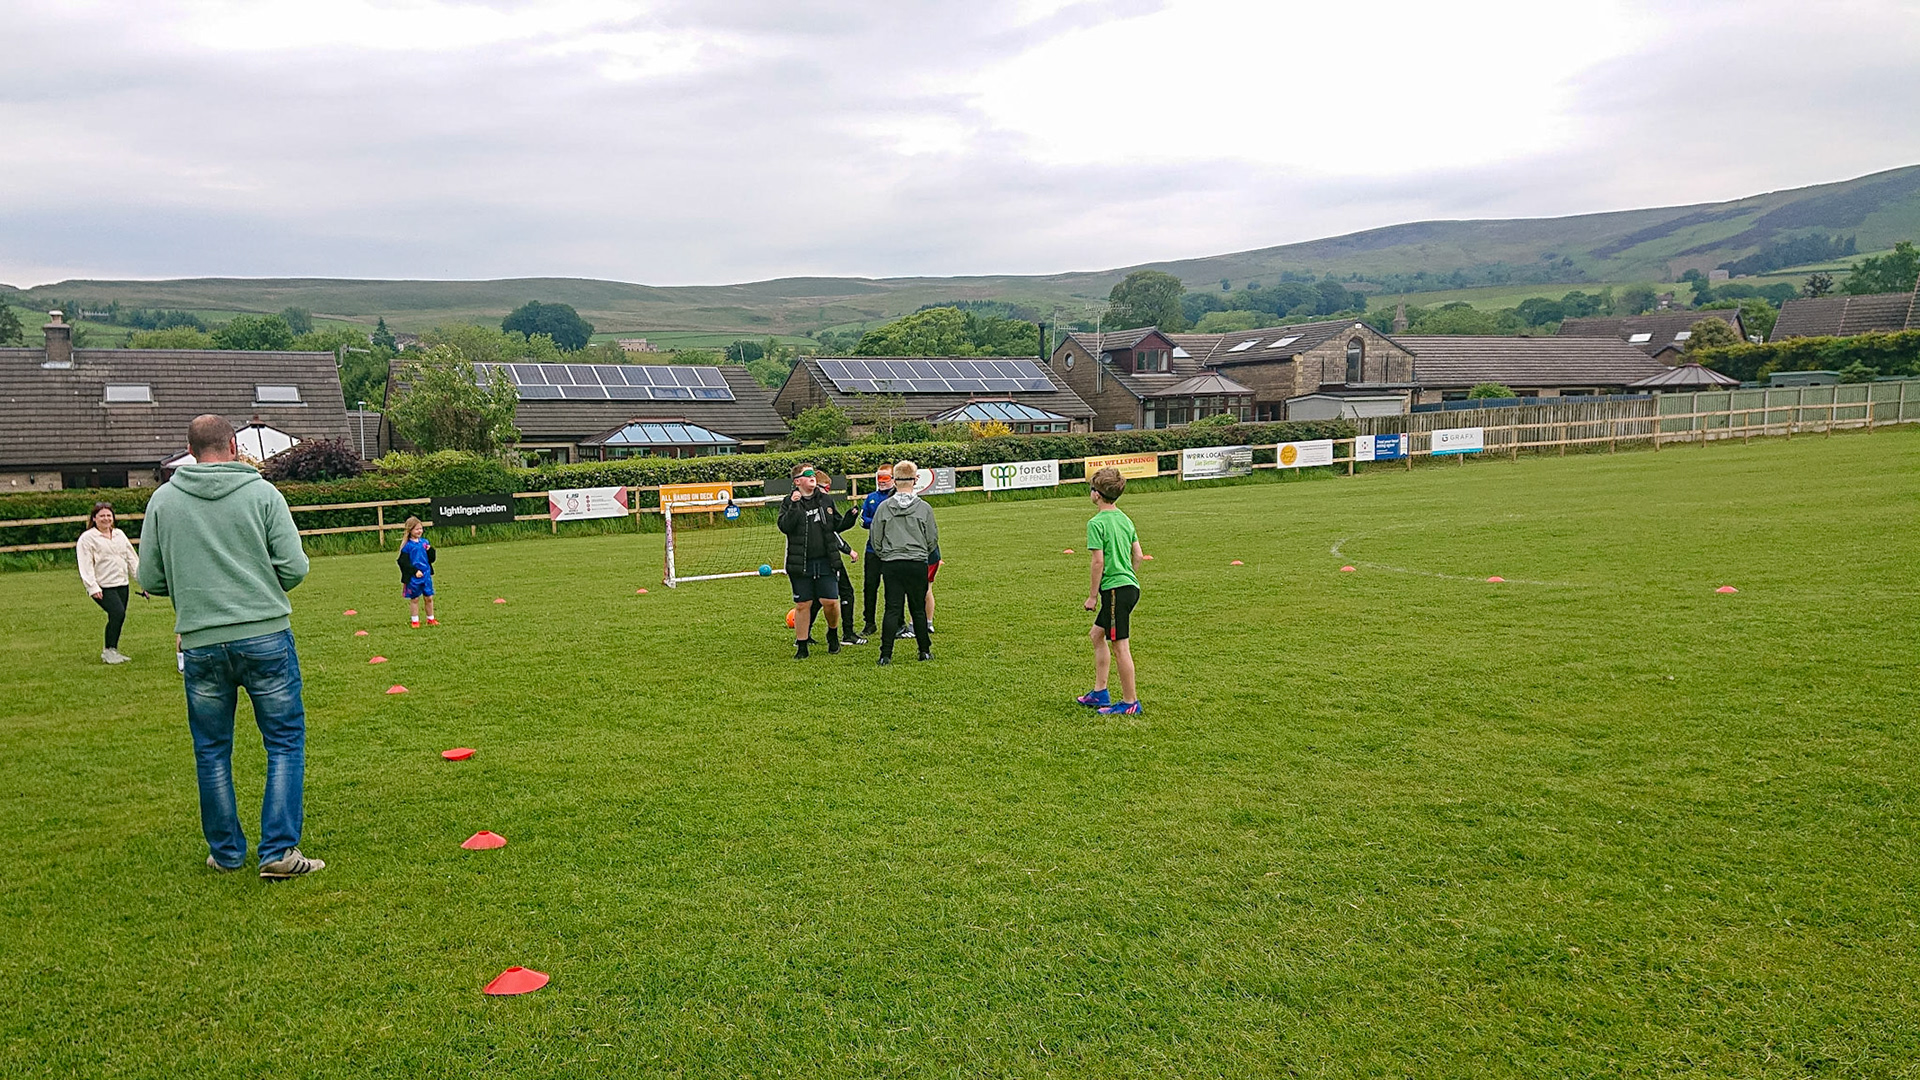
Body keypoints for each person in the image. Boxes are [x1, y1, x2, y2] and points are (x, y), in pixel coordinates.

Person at [139, 414, 323, 879]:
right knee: (283, 742)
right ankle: (279, 850)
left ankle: (225, 853)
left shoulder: (163, 500)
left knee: (212, 749)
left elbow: (150, 578)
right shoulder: (263, 493)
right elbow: (296, 569)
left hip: (200, 641)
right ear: (235, 443)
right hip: (265, 635)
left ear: (189, 449)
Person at [1079, 466, 1144, 715]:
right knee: (1097, 635)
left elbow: (1098, 562)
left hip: (1115, 589)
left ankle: (1130, 702)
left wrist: (1093, 596)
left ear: (1096, 494)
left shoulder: (1096, 523)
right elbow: (1137, 555)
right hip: (1129, 586)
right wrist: (1129, 576)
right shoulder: (1125, 519)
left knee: (1120, 646)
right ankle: (1100, 692)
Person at [869, 459, 938, 665]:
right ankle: (924, 651)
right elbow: (932, 538)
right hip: (916, 562)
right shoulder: (924, 508)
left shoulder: (884, 507)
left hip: (892, 562)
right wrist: (921, 552)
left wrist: (886, 554)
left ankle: (886, 654)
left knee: (892, 607)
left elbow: (876, 538)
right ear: (915, 480)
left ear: (895, 480)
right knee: (917, 608)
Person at [776, 463, 847, 658]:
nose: (812, 476)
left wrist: (849, 519)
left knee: (830, 602)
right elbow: (785, 526)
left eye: (813, 473)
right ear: (797, 481)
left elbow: (837, 524)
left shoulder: (825, 500)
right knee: (803, 605)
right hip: (801, 562)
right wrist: (793, 505)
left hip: (826, 560)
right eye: (807, 474)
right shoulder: (788, 502)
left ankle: (832, 633)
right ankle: (802, 645)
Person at [76, 501, 144, 664]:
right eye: (102, 516)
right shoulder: (88, 538)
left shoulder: (119, 534)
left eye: (109, 515)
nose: (106, 519)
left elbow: (131, 558)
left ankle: (113, 650)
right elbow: (85, 564)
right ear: (94, 518)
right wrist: (92, 587)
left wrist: (143, 581)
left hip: (122, 583)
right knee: (117, 613)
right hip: (103, 586)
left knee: (119, 617)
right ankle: (108, 651)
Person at [804, 472, 866, 646]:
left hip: (821, 558)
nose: (827, 493)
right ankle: (847, 634)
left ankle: (803, 635)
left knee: (816, 597)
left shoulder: (823, 503)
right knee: (845, 592)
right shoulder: (813, 505)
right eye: (826, 489)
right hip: (826, 559)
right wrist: (848, 550)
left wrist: (850, 517)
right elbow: (830, 533)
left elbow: (837, 526)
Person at [857, 464, 895, 637]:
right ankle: (869, 622)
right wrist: (878, 523)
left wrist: (877, 522)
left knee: (893, 587)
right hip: (872, 550)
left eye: (885, 478)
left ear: (893, 479)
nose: (881, 482)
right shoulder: (871, 498)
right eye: (879, 478)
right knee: (870, 586)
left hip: (892, 550)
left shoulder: (897, 497)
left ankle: (897, 622)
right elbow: (863, 520)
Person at [399, 517, 437, 627]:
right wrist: (414, 571)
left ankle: (431, 619)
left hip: (426, 575)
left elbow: (432, 559)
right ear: (410, 531)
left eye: (421, 529)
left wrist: (431, 550)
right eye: (416, 529)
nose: (419, 531)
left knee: (429, 597)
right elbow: (403, 562)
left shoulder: (425, 543)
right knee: (415, 598)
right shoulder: (407, 547)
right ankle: (415, 621)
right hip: (414, 578)